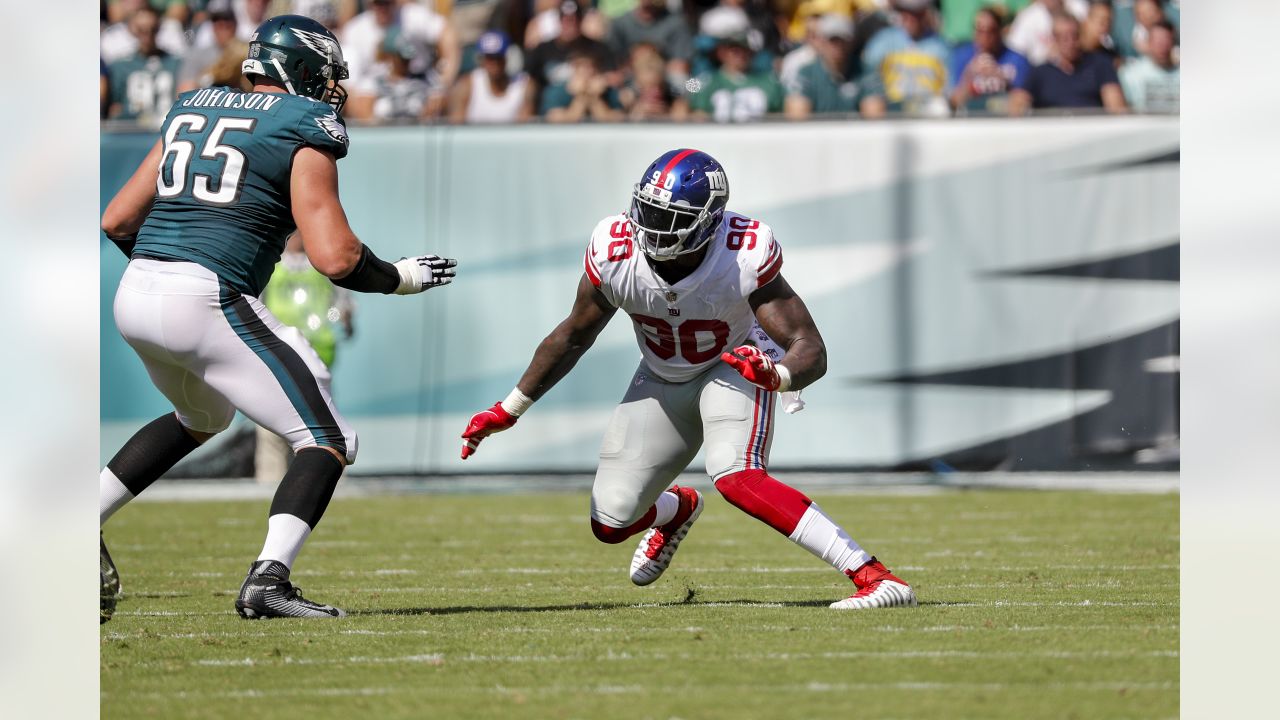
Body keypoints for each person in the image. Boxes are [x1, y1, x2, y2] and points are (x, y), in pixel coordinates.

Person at [99, 15, 458, 622]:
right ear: (302, 71)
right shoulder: (301, 124)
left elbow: (117, 220)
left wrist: (169, 272)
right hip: (205, 294)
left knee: (203, 415)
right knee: (330, 438)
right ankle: (269, 580)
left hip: (136, 292)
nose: (331, 90)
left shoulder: (192, 107)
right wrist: (400, 278)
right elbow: (336, 258)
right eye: (326, 75)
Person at [458, 149, 916, 611]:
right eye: (649, 209)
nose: (654, 225)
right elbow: (574, 334)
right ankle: (676, 509)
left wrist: (775, 375)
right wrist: (509, 409)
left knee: (735, 475)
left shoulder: (742, 253)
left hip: (733, 365)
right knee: (611, 522)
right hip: (660, 375)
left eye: (670, 216)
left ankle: (876, 578)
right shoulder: (614, 249)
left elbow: (810, 348)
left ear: (709, 222)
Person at [255, 233, 355, 485]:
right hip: (277, 350)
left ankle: (329, 483)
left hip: (316, 351)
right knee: (271, 423)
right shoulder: (270, 265)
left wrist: (345, 321)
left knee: (321, 420)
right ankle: (269, 485)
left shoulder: (324, 267)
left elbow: (344, 305)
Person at [1009, 12, 1126, 113]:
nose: (1070, 43)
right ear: (1054, 40)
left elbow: (1116, 107)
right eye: (1064, 38)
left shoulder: (1101, 65)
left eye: (1074, 36)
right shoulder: (1039, 73)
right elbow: (1017, 105)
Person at [858, 0, 951, 118]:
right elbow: (868, 79)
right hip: (890, 108)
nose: (911, 18)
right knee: (871, 104)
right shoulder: (882, 42)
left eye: (917, 13)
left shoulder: (940, 47)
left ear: (925, 14)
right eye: (907, 12)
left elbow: (949, 88)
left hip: (929, 110)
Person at [106, 6, 184, 125]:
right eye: (142, 30)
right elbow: (115, 108)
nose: (147, 35)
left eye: (152, 29)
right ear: (132, 30)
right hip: (130, 131)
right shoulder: (121, 66)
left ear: (159, 29)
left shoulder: (176, 63)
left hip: (166, 127)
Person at [687, 28, 785, 122]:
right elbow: (685, 106)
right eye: (735, 50)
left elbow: (780, 117)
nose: (741, 54)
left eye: (745, 49)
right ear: (721, 52)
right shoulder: (701, 81)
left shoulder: (770, 82)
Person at [947, 5, 1031, 114]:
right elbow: (953, 102)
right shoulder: (961, 57)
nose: (985, 37)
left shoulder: (1018, 60)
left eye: (991, 30)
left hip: (1005, 121)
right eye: (980, 30)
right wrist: (969, 75)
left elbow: (1024, 100)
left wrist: (1001, 78)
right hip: (970, 121)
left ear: (1000, 31)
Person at [449, 30, 536, 123]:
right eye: (489, 58)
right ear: (482, 60)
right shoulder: (467, 85)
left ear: (506, 58)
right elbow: (456, 125)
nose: (494, 63)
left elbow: (524, 128)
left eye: (498, 57)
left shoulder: (523, 86)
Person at [783, 13, 859, 119]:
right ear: (822, 41)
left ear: (852, 42)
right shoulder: (805, 73)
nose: (838, 46)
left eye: (842, 40)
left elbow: (875, 120)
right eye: (832, 40)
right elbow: (796, 119)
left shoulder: (863, 71)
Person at [1118, 18, 1177, 112]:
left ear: (1173, 42)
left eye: (1166, 40)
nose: (1161, 45)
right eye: (1157, 40)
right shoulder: (1130, 74)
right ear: (1148, 42)